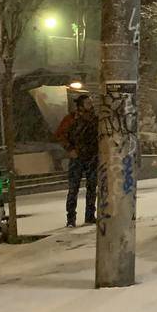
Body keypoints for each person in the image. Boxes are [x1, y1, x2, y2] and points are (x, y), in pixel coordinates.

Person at [56, 94, 98, 227]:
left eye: (91, 103)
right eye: (87, 103)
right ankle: (71, 218)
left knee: (92, 187)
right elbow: (60, 134)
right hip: (77, 157)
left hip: (92, 156)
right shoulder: (71, 119)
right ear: (80, 105)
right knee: (73, 188)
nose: (90, 105)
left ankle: (90, 216)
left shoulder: (95, 119)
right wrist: (70, 149)